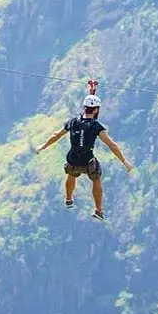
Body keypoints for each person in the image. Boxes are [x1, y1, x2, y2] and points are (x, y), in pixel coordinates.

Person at [36, 93, 133, 221]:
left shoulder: (72, 122)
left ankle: (68, 199)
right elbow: (112, 145)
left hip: (73, 160)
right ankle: (98, 210)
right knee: (96, 179)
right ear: (96, 110)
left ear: (84, 107)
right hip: (88, 162)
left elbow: (56, 135)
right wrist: (125, 161)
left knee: (71, 174)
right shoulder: (96, 127)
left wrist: (43, 146)